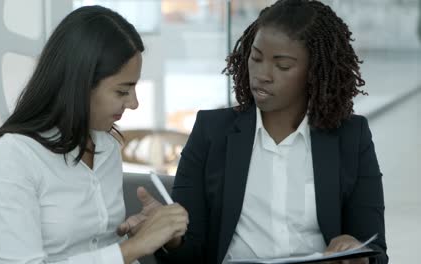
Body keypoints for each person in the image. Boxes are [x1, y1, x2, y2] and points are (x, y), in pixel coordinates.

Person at [154, 0, 388, 263]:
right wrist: (170, 237)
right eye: (255, 58)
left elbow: (375, 248)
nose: (262, 74)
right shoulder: (211, 132)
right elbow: (188, 252)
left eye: (283, 66)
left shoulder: (350, 137)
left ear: (315, 72)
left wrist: (356, 251)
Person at [0, 5, 188, 264]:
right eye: (122, 91)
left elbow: (101, 246)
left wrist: (152, 232)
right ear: (80, 84)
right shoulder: (11, 157)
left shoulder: (105, 148)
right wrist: (134, 248)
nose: (134, 104)